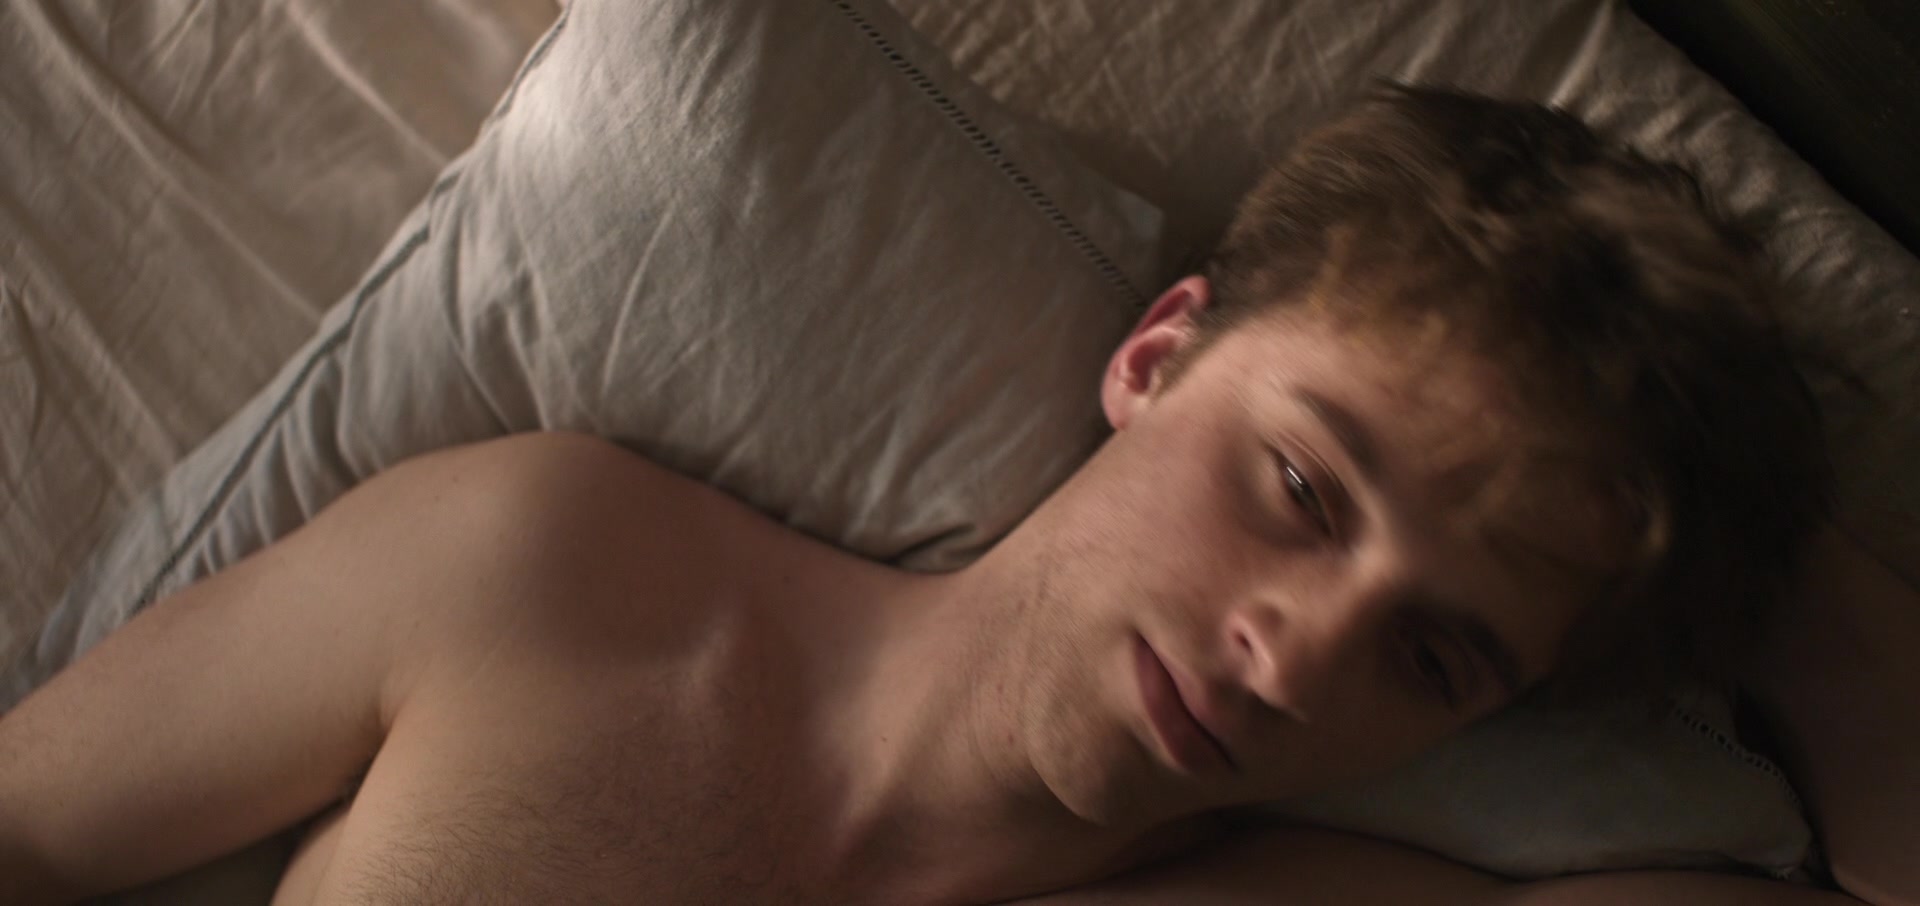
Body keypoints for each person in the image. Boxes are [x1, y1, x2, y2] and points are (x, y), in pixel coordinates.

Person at [0, 85, 1908, 905]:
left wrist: (1747, 533)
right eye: (1304, 487)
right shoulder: (557, 573)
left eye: (1435, 653)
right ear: (1157, 355)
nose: (1296, 653)